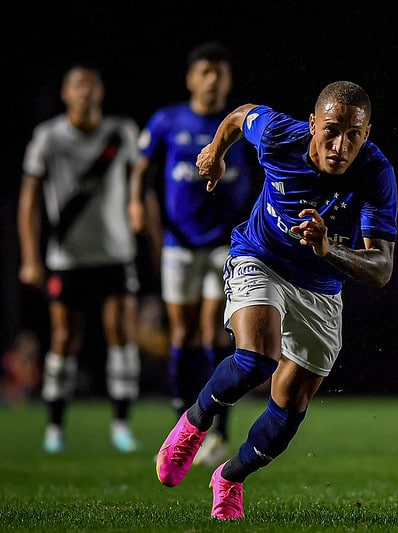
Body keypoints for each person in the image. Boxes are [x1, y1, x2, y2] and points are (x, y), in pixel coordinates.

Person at [154, 80, 397, 520]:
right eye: (331, 130)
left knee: (291, 406)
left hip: (321, 289)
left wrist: (329, 250)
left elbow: (382, 268)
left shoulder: (376, 173)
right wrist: (215, 151)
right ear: (311, 125)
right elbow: (239, 115)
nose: (341, 145)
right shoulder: (279, 135)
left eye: (354, 135)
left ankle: (228, 478)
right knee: (257, 359)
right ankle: (194, 424)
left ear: (367, 134)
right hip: (260, 257)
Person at [128, 42, 258, 467]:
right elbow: (141, 168)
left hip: (225, 242)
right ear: (190, 79)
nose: (212, 79)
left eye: (219, 72)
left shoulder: (241, 126)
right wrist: (135, 203)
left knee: (213, 332)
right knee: (181, 335)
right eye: (205, 71)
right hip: (179, 243)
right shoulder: (168, 120)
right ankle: (181, 423)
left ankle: (217, 430)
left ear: (229, 79)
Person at [17, 65, 142, 453]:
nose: (84, 92)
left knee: (121, 333)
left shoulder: (121, 131)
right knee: (63, 338)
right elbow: (29, 201)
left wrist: (141, 210)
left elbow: (141, 180)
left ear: (100, 92)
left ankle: (121, 424)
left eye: (91, 85)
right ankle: (55, 427)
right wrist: (30, 257)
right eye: (77, 86)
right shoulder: (49, 137)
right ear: (65, 94)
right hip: (67, 257)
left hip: (116, 252)